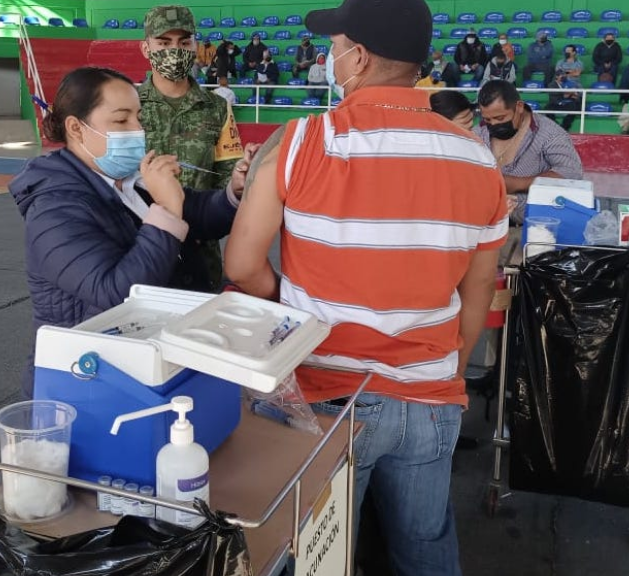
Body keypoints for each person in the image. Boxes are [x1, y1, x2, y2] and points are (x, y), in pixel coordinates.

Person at [223, 0, 508, 573]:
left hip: (325, 396)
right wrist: (448, 370)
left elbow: (241, 265)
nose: (330, 57)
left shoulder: (301, 141)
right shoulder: (478, 156)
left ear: (359, 56)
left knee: (315, 551)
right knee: (425, 548)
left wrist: (296, 307)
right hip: (429, 396)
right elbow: (478, 292)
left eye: (335, 47)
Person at [10, 67, 257, 396]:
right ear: (76, 128)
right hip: (88, 379)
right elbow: (117, 293)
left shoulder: (127, 182)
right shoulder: (55, 207)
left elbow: (197, 212)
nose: (137, 130)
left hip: (146, 360)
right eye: (121, 120)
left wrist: (236, 191)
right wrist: (167, 208)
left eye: (138, 118)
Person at [138, 5, 246, 292]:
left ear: (195, 46)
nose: (175, 50)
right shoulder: (128, 105)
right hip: (140, 247)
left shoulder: (217, 108)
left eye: (184, 42)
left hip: (202, 252)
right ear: (146, 48)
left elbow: (228, 177)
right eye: (163, 42)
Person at [475, 80, 584, 221]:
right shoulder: (478, 133)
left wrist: (519, 184)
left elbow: (572, 174)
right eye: (488, 120)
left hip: (530, 224)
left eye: (500, 118)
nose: (494, 124)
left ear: (519, 107)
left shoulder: (550, 134)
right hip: (483, 223)